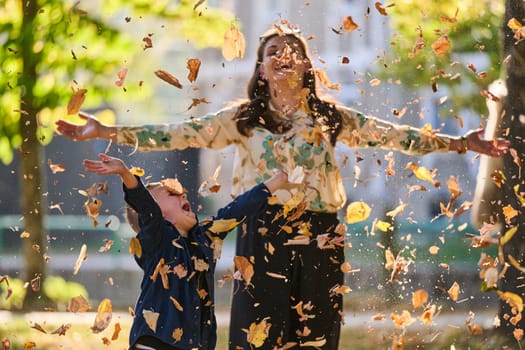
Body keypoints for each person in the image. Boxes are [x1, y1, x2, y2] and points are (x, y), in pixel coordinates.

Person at [59, 25, 510, 349]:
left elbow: (390, 135)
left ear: (305, 64)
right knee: (258, 330)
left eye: (291, 47)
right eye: (272, 48)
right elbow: (181, 132)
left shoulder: (331, 117)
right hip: (263, 228)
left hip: (322, 230)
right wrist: (108, 132)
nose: (282, 53)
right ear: (260, 68)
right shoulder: (243, 119)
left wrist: (457, 143)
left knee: (315, 332)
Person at [82, 152, 288, 350]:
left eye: (182, 193)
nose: (182, 194)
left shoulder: (206, 237)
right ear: (159, 215)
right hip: (154, 342)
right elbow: (146, 207)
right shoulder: (156, 240)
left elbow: (236, 210)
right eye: (172, 194)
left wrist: (275, 183)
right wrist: (126, 174)